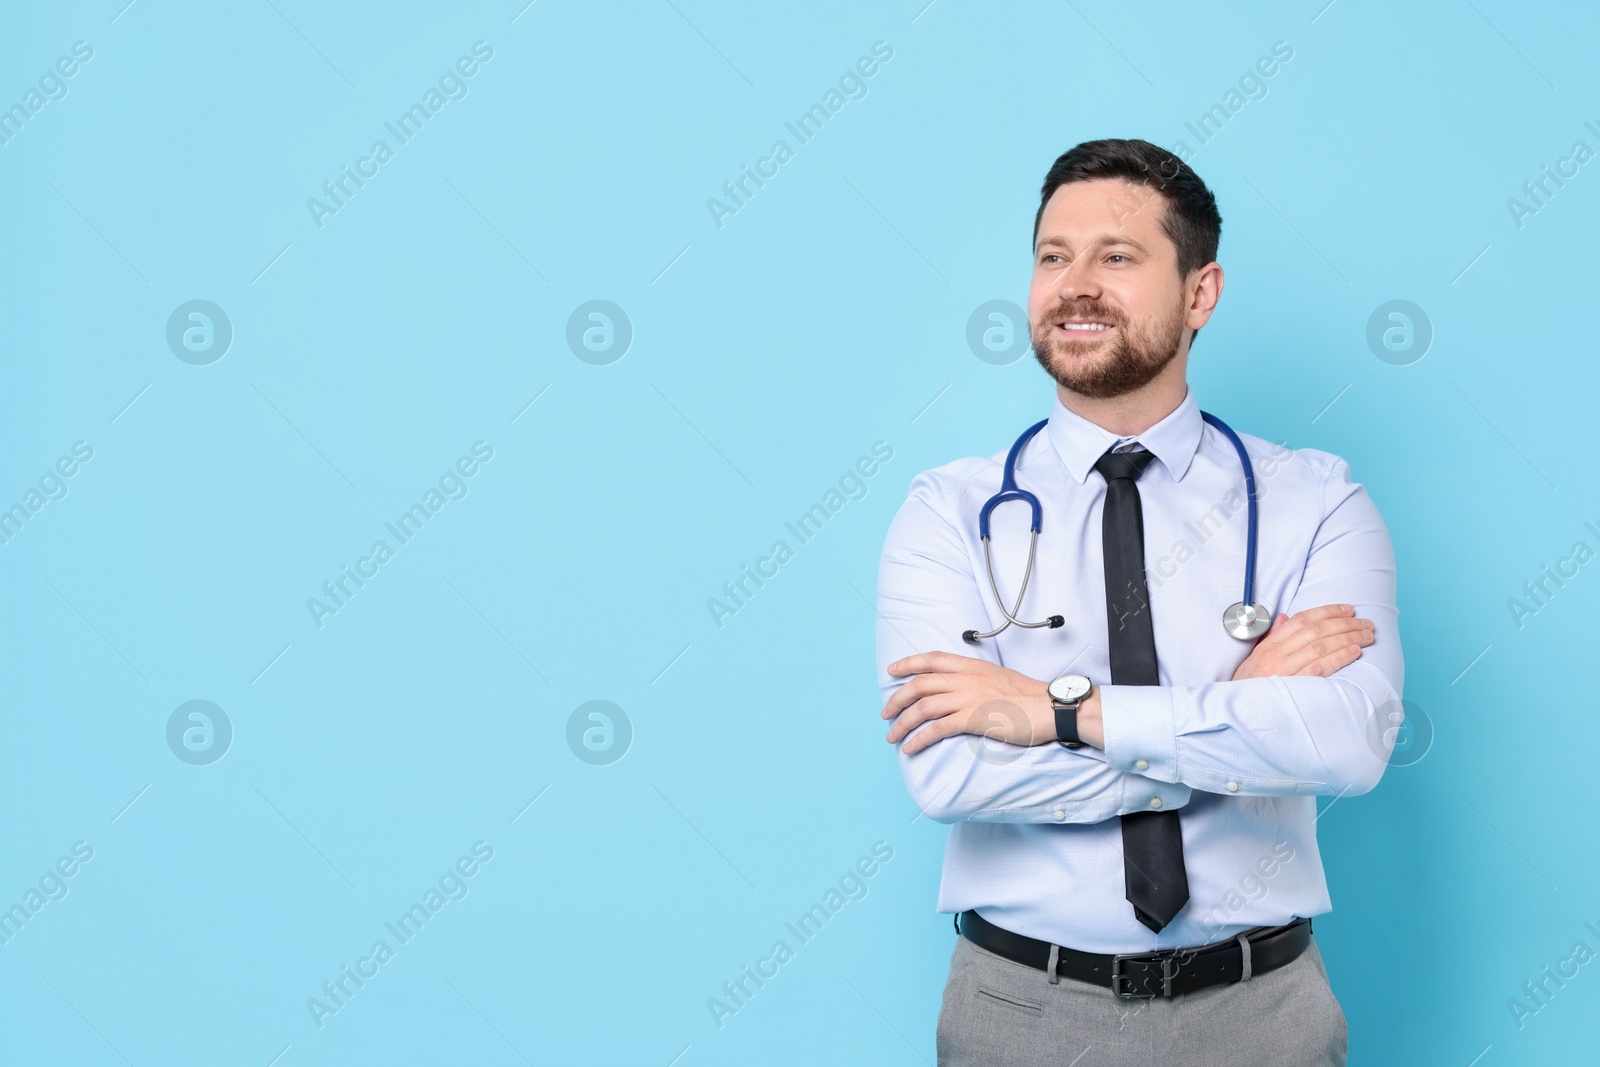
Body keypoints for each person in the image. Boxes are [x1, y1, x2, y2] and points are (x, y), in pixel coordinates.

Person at [874, 138, 1403, 1066]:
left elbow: (1347, 742)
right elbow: (952, 777)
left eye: (1116, 256)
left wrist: (1056, 715)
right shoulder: (947, 510)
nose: (1075, 285)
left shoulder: (1316, 499)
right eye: (1052, 256)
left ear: (1201, 292)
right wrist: (1239, 709)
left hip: (1261, 1014)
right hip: (1020, 1011)